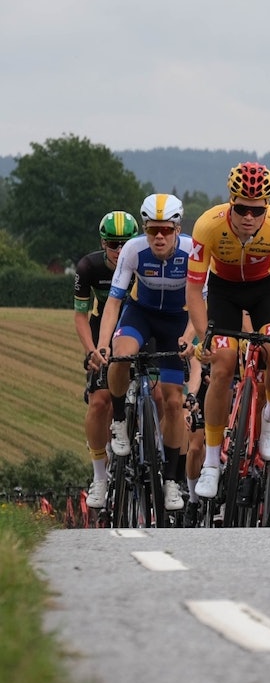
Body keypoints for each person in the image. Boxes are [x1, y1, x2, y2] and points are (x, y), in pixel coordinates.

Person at [185, 162, 270, 501]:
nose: (249, 217)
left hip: (264, 291)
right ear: (230, 202)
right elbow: (194, 291)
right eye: (241, 209)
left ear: (266, 207)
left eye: (257, 210)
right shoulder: (207, 225)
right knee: (222, 364)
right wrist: (202, 338)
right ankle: (211, 462)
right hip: (223, 291)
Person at [90, 194, 195, 513]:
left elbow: (203, 302)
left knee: (175, 402)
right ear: (145, 229)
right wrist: (104, 343)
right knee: (121, 356)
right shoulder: (134, 250)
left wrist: (190, 337)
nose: (158, 237)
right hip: (141, 314)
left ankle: (172, 482)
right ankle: (120, 419)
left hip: (178, 321)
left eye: (165, 230)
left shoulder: (192, 251)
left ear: (177, 228)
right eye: (152, 230)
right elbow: (113, 301)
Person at [74, 212, 138, 509]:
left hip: (142, 323)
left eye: (126, 243)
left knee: (164, 394)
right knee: (100, 401)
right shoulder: (90, 266)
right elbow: (81, 315)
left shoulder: (143, 260)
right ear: (103, 243)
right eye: (114, 244)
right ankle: (100, 476)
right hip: (106, 328)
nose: (120, 249)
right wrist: (90, 350)